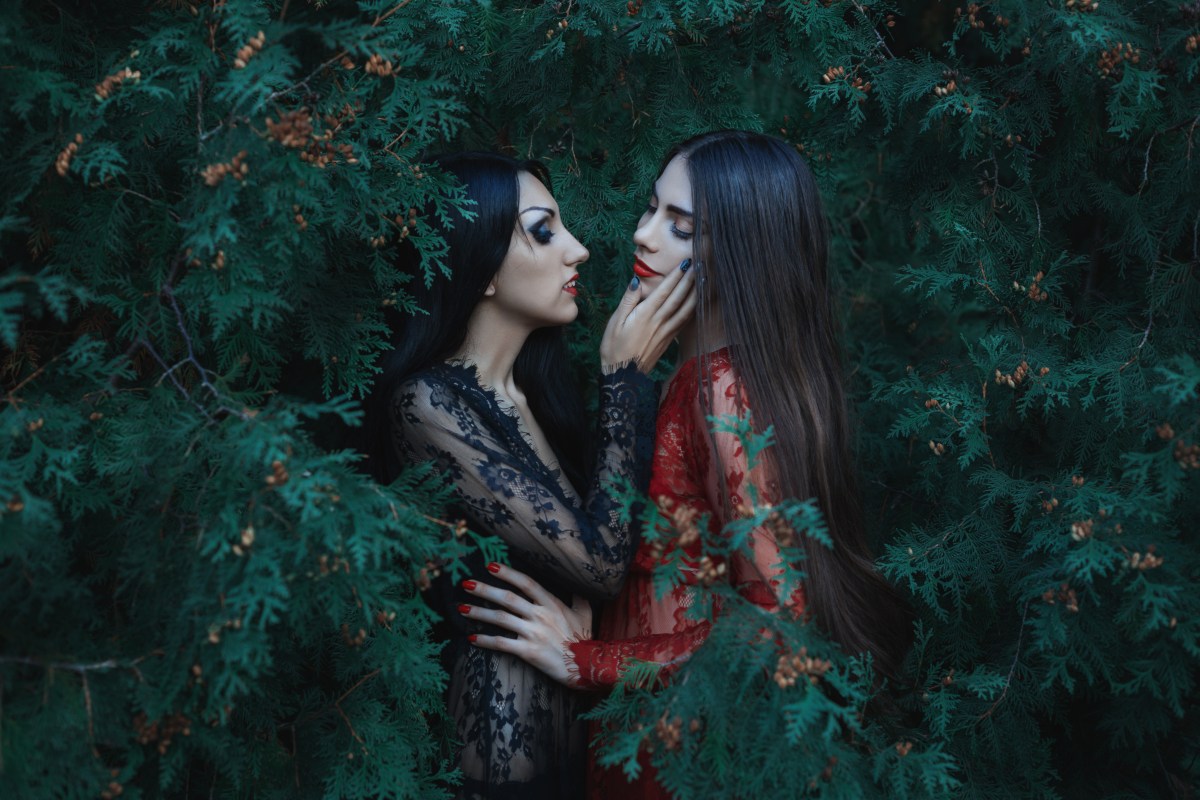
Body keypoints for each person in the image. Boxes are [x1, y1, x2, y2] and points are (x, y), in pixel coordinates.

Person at [459, 131, 912, 798]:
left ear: (742, 251)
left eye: (681, 226)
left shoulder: (725, 393)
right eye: (650, 210)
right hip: (644, 737)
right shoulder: (690, 377)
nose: (643, 236)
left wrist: (592, 661)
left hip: (681, 755)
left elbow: (772, 633)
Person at [363, 151, 696, 799]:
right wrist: (626, 382)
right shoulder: (428, 407)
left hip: (579, 748)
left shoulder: (538, 398)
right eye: (543, 231)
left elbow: (607, 567)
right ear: (478, 261)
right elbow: (600, 562)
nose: (577, 251)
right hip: (500, 755)